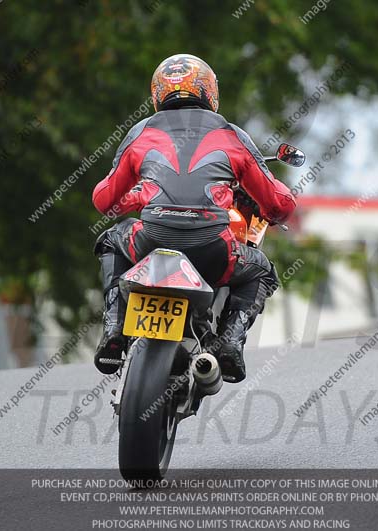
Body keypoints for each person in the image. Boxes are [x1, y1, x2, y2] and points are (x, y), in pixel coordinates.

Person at [92, 53, 296, 382]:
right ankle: (230, 343)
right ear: (209, 91)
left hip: (149, 242)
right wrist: (276, 205)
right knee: (261, 270)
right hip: (213, 252)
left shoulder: (140, 132)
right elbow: (279, 205)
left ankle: (114, 328)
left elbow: (104, 200)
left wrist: (141, 195)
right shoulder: (232, 134)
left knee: (111, 239)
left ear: (158, 92)